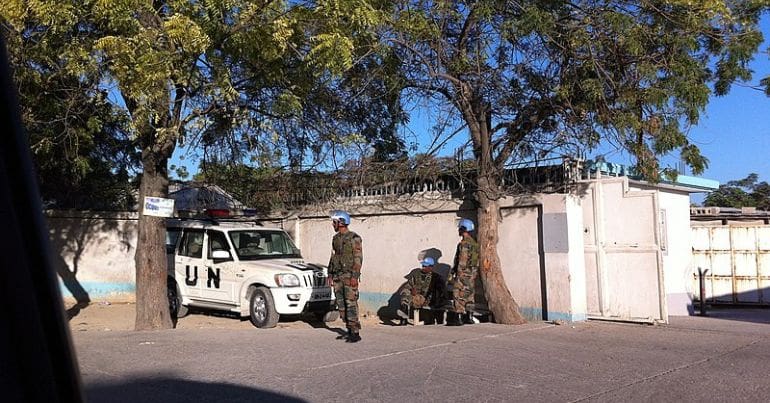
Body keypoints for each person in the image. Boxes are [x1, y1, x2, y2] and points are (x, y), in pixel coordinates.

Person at [327, 210, 363, 342]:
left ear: (341, 222)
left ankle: (355, 332)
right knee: (341, 305)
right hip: (338, 276)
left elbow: (358, 258)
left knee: (351, 303)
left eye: (334, 222)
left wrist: (355, 276)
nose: (333, 224)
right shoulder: (335, 239)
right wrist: (330, 273)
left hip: (349, 276)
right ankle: (348, 329)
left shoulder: (354, 238)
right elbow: (333, 256)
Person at [447, 218, 479, 326]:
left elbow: (462, 261)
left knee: (457, 292)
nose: (458, 230)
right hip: (472, 274)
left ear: (464, 229)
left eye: (460, 228)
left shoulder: (464, 244)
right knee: (469, 294)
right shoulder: (474, 244)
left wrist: (457, 275)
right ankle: (469, 317)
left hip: (464, 273)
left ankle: (458, 318)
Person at [396, 257, 445, 325]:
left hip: (428, 299)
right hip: (416, 297)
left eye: (425, 266)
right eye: (423, 266)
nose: (423, 267)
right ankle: (403, 320)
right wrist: (411, 290)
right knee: (405, 295)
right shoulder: (417, 275)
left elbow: (440, 292)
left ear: (431, 267)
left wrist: (427, 298)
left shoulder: (436, 278)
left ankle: (430, 319)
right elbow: (409, 285)